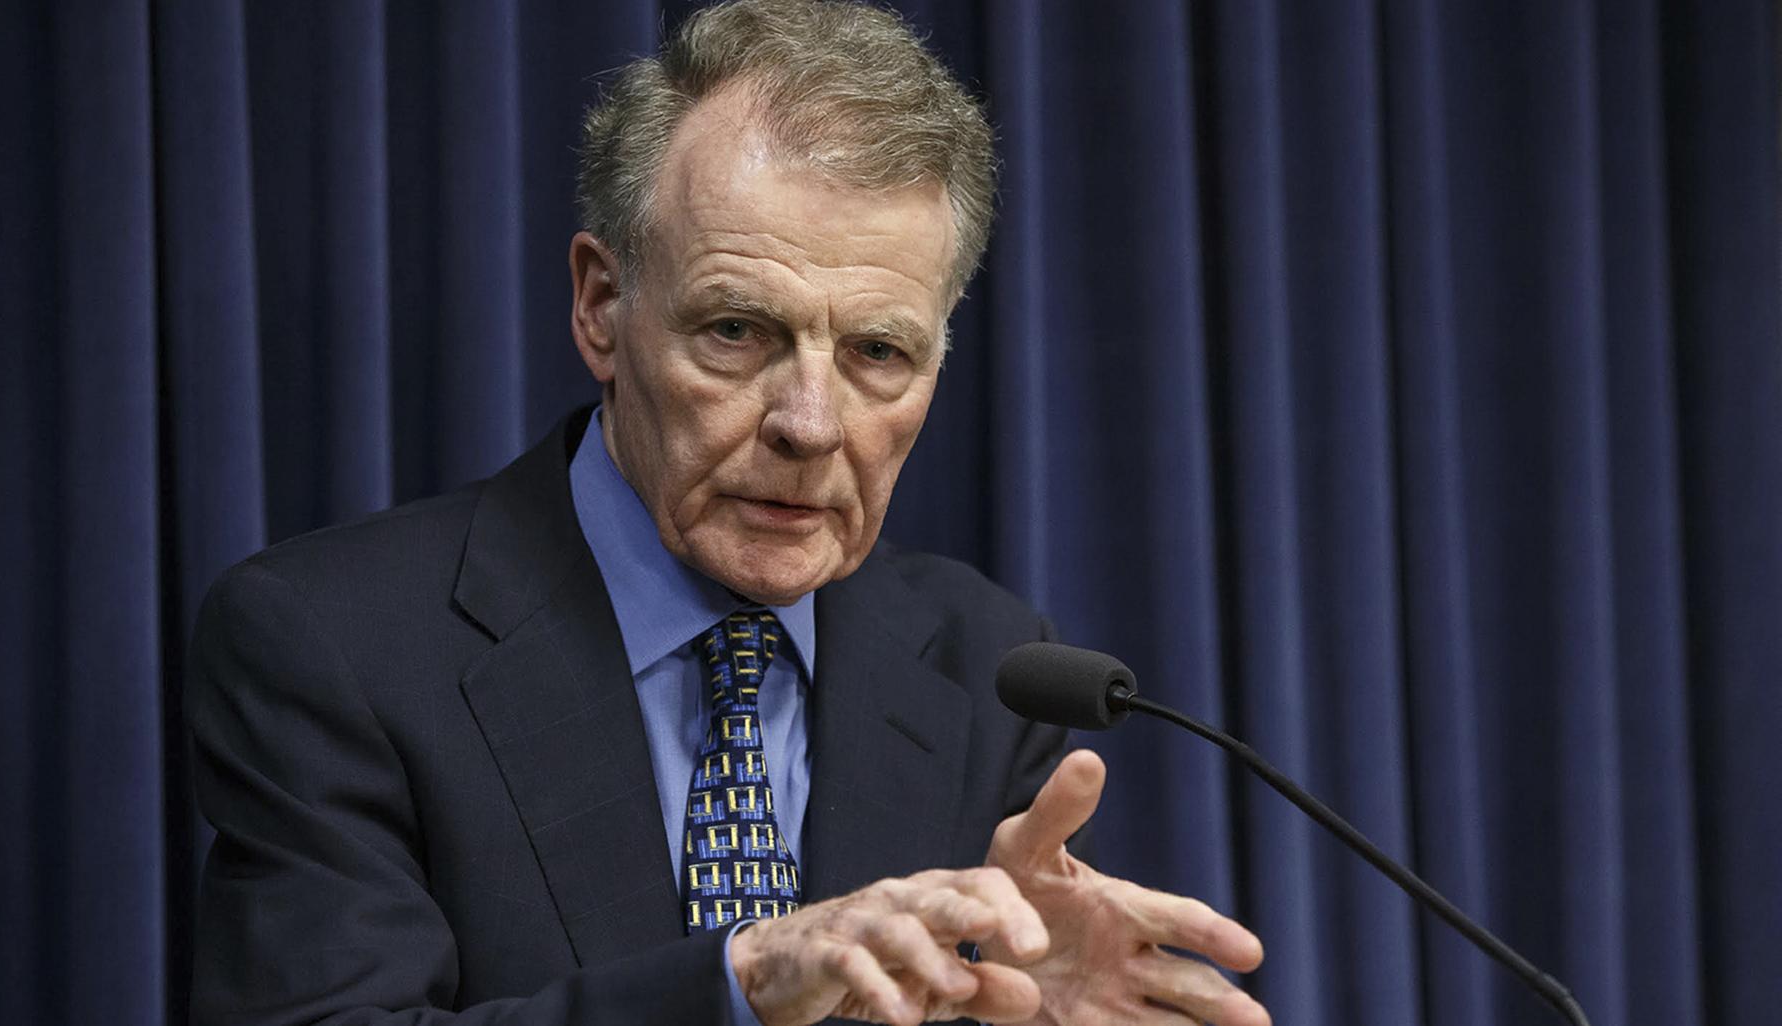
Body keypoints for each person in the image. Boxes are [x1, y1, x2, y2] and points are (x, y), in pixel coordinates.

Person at [187, 2, 1270, 1024]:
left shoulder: (993, 670)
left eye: (878, 353)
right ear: (603, 307)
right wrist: (736, 990)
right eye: (739, 332)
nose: (810, 424)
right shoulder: (332, 647)